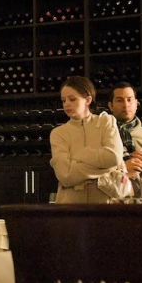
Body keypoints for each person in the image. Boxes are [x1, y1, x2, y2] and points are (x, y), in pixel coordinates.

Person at [49, 75, 124, 203]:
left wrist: (79, 156)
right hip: (70, 211)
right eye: (63, 100)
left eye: (72, 99)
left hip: (105, 208)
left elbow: (113, 158)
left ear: (88, 100)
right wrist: (106, 169)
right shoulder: (58, 133)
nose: (66, 104)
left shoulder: (106, 122)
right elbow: (65, 175)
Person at [108, 82, 142, 180]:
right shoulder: (102, 134)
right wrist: (121, 167)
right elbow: (94, 173)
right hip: (112, 194)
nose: (125, 105)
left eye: (129, 100)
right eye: (119, 100)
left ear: (136, 104)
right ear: (111, 106)